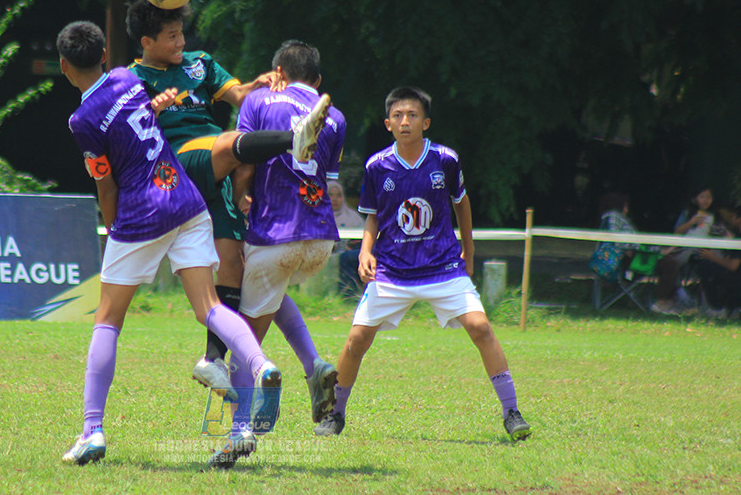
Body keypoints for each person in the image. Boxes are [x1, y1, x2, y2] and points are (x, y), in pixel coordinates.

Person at [55, 21, 282, 466]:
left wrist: (114, 223)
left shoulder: (80, 120)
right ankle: (260, 364)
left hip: (142, 210)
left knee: (107, 319)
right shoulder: (126, 77)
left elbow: (105, 181)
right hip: (185, 196)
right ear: (104, 53)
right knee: (211, 307)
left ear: (64, 66)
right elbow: (139, 118)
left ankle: (92, 431)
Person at [126, 0, 330, 398]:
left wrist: (256, 86)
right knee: (233, 143)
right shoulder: (132, 78)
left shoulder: (199, 62)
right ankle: (294, 140)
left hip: (216, 166)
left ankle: (212, 360)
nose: (181, 41)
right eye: (171, 37)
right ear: (146, 42)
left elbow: (238, 94)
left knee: (234, 265)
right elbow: (128, 128)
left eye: (182, 32)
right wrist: (152, 107)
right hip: (178, 161)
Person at [314, 87, 532, 442]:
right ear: (387, 123)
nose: (405, 121)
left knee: (480, 327)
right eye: (398, 116)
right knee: (356, 339)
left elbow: (461, 204)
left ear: (426, 122)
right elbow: (372, 219)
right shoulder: (376, 165)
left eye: (412, 115)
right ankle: (335, 414)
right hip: (392, 269)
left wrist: (469, 250)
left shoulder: (445, 159)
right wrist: (367, 251)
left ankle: (512, 412)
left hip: (443, 265)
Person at [208, 40, 345, 469]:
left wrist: (241, 197)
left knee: (245, 345)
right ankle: (314, 363)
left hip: (274, 236)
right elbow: (330, 184)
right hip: (321, 239)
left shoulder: (261, 100)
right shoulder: (335, 117)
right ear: (317, 81)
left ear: (277, 71)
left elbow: (243, 161)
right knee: (273, 290)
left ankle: (238, 432)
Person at [651, 186, 717, 314]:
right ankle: (672, 299)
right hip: (685, 247)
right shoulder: (688, 213)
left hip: (705, 249)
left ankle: (709, 305)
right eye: (702, 197)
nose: (705, 200)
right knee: (672, 265)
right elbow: (677, 231)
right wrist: (692, 222)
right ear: (694, 199)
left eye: (708, 197)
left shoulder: (715, 216)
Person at [588, 192, 653, 282]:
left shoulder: (613, 217)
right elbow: (614, 237)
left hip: (631, 255)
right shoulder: (614, 216)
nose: (627, 210)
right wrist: (628, 249)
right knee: (668, 264)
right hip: (628, 257)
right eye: (625, 206)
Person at [329, 180, 366, 298]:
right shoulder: (316, 217)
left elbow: (366, 238)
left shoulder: (353, 217)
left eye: (339, 195)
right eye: (330, 195)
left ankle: (350, 296)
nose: (335, 199)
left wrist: (355, 244)